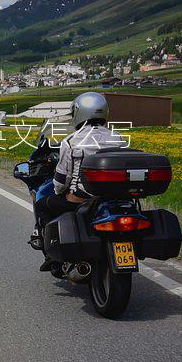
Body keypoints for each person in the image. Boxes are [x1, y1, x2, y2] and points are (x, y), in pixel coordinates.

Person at [33, 92, 120, 270]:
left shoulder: (71, 141)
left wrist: (60, 191)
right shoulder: (117, 137)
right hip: (113, 197)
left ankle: (53, 257)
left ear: (79, 113)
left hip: (81, 198)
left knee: (42, 204)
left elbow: (61, 181)